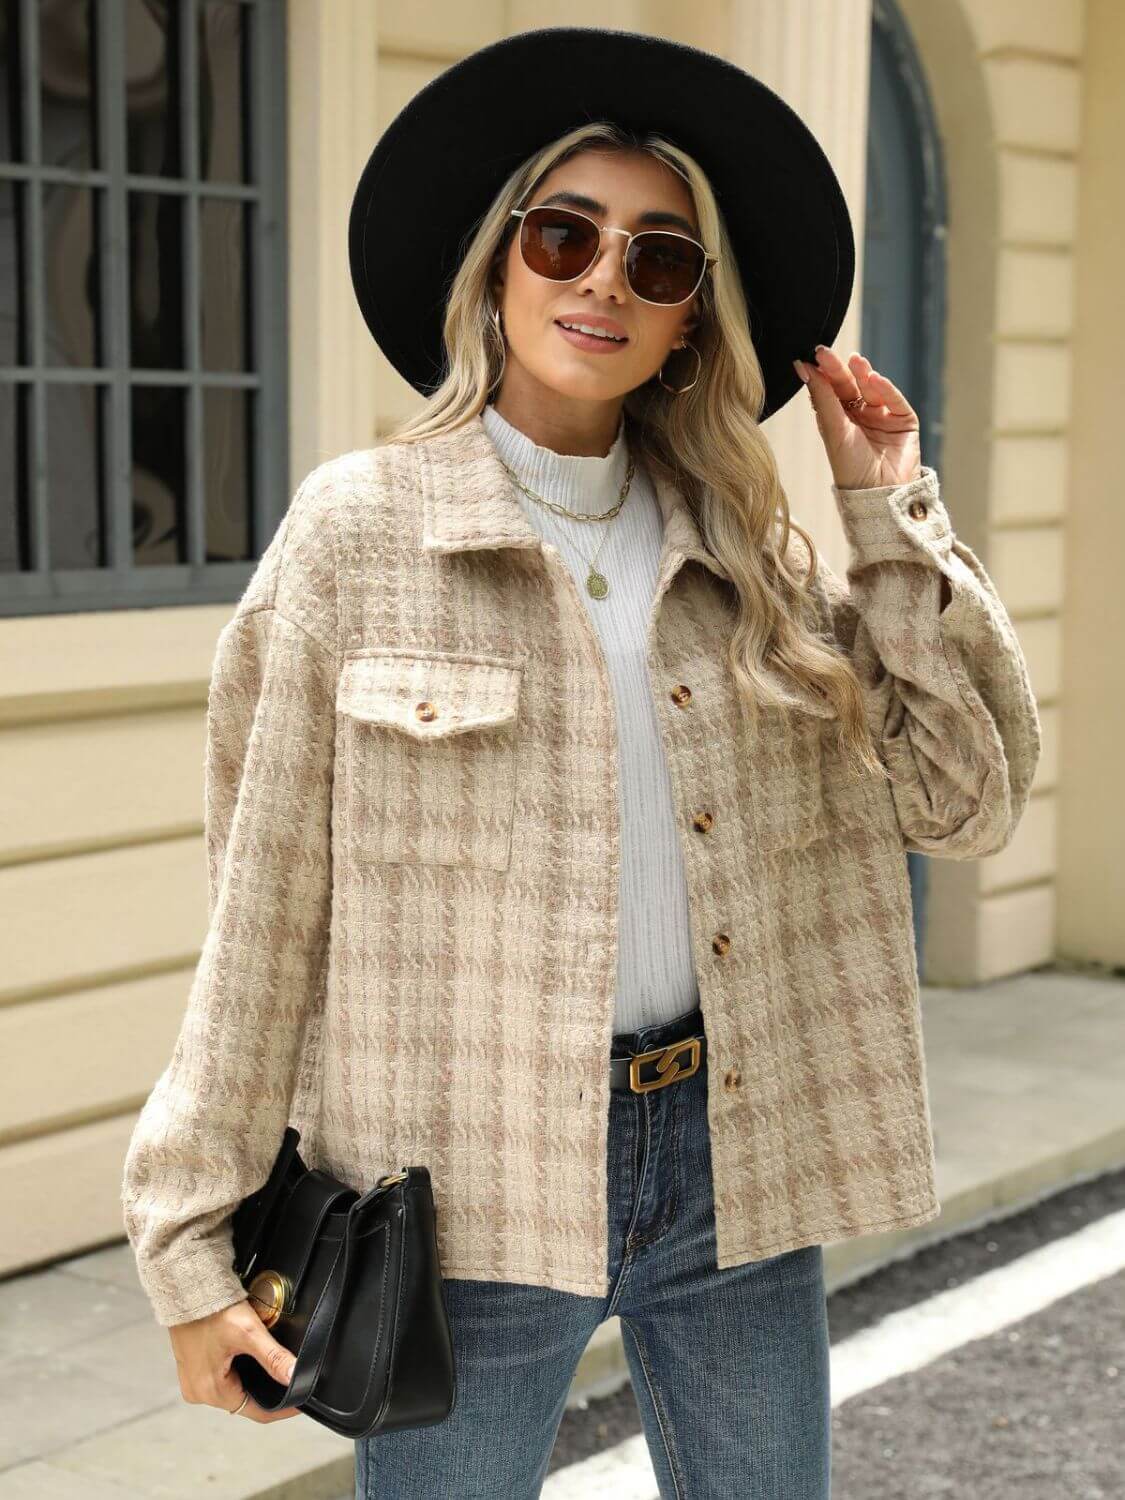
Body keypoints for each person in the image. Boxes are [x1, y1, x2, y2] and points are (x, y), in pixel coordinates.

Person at [120, 26, 1041, 1500]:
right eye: (565, 236)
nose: (604, 278)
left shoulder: (749, 558)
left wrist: (886, 518)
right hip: (457, 1186)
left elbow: (964, 797)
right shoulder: (356, 537)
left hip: (728, 1164)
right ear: (499, 269)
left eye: (659, 260)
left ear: (690, 321)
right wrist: (185, 1242)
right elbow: (262, 912)